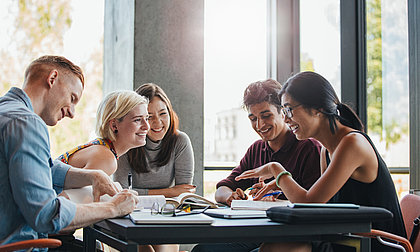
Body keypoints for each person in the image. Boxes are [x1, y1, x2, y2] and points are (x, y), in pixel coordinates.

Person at [236, 71, 406, 252]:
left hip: (375, 243)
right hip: (348, 239)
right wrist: (282, 185)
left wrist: (276, 170)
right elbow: (319, 206)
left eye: (289, 110)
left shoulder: (352, 144)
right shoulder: (327, 149)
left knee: (277, 249)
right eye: (284, 111)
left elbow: (308, 204)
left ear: (318, 108)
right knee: (272, 247)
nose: (286, 119)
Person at [0, 55, 138, 248]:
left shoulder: (7, 112)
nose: (72, 113)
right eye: (72, 98)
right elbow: (46, 215)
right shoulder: (27, 124)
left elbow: (44, 167)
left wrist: (93, 176)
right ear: (52, 78)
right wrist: (112, 208)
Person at [192, 79, 322, 252]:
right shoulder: (256, 149)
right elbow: (222, 189)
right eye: (253, 119)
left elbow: (314, 205)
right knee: (202, 250)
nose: (259, 125)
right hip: (258, 234)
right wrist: (231, 197)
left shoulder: (308, 148)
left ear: (283, 113)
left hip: (292, 237)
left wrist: (277, 200)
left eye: (266, 116)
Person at [115, 83, 195, 252]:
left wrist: (172, 193)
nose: (158, 122)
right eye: (149, 116)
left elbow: (183, 194)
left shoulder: (180, 141)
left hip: (164, 217)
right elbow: (122, 193)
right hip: (130, 217)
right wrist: (169, 191)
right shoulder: (127, 142)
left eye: (163, 114)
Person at [57, 90, 150, 177]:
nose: (147, 126)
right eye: (137, 120)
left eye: (146, 118)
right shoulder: (105, 158)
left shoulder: (103, 149)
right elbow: (65, 193)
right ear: (114, 125)